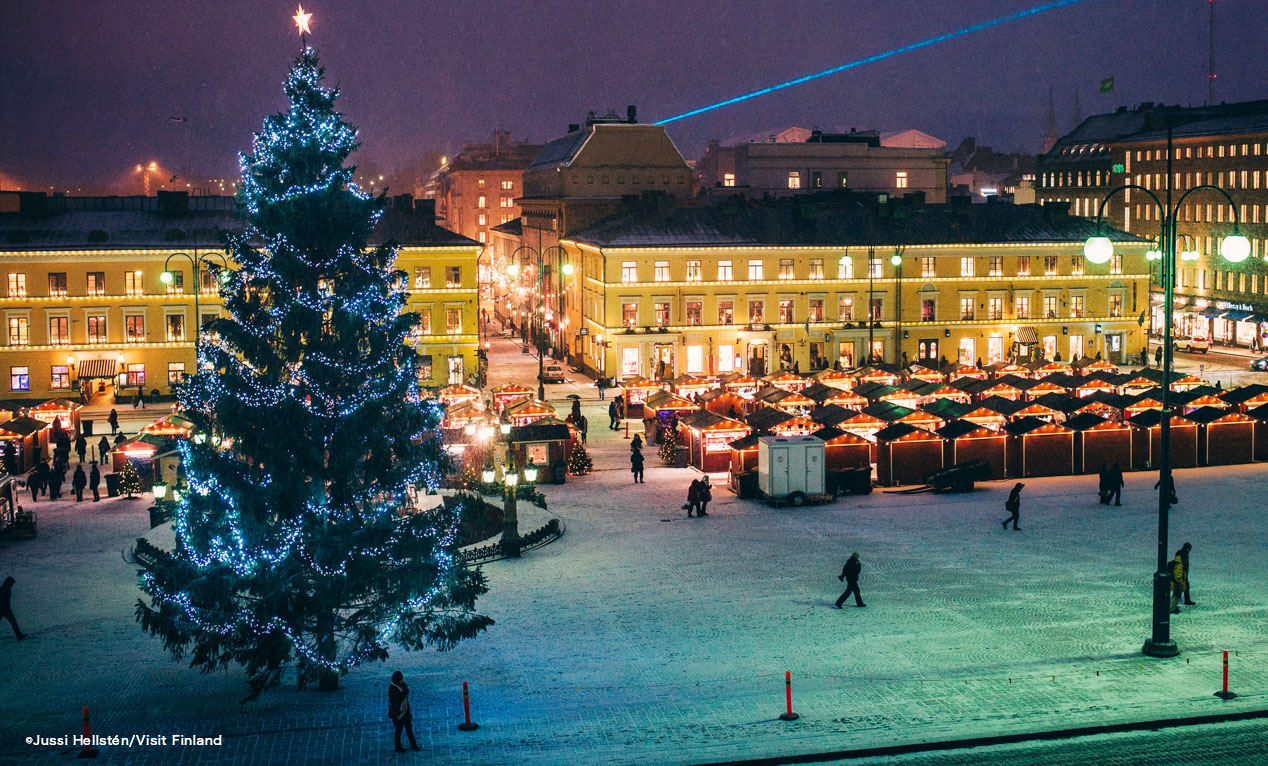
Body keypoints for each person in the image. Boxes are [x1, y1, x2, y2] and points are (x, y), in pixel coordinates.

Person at [387, 671, 420, 752]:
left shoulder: (401, 685)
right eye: (401, 679)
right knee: (399, 730)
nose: (402, 680)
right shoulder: (393, 689)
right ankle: (398, 746)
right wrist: (406, 692)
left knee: (409, 729)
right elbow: (398, 700)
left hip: (405, 712)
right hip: (399, 713)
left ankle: (413, 744)